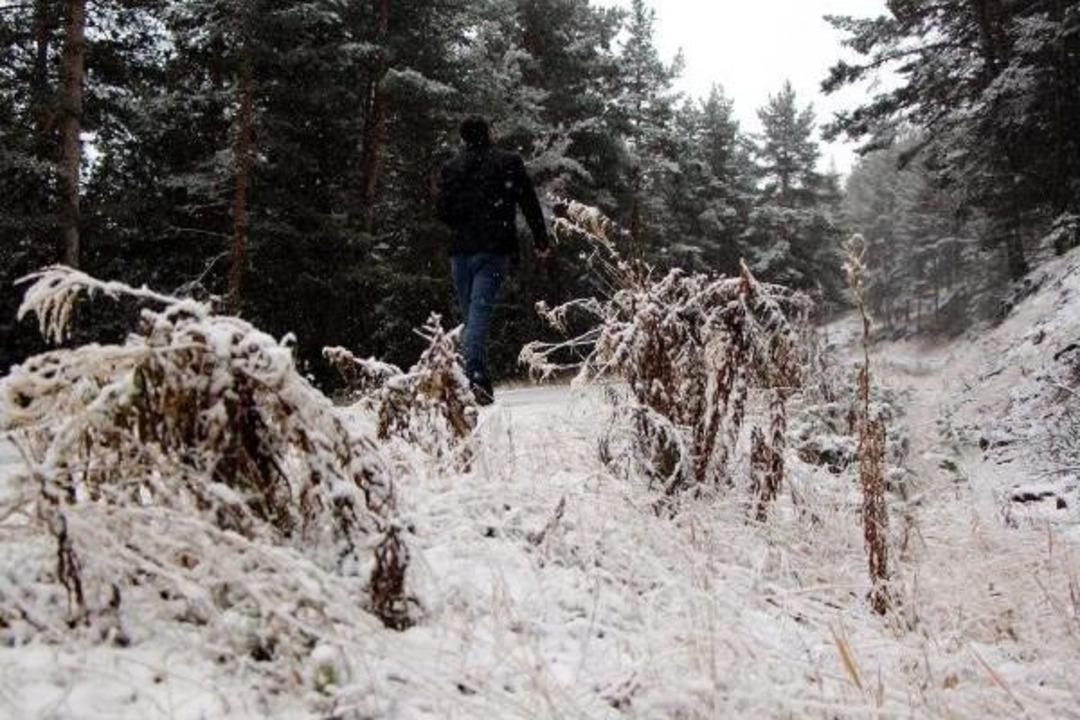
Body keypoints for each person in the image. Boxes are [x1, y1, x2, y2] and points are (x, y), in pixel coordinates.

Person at [437, 117, 550, 405]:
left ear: (463, 139)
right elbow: (528, 201)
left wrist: (466, 214)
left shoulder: (451, 168)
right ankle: (474, 375)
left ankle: (479, 382)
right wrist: (541, 239)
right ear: (488, 133)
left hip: (461, 252)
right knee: (478, 317)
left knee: (472, 317)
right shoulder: (508, 161)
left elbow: (443, 213)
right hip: (494, 250)